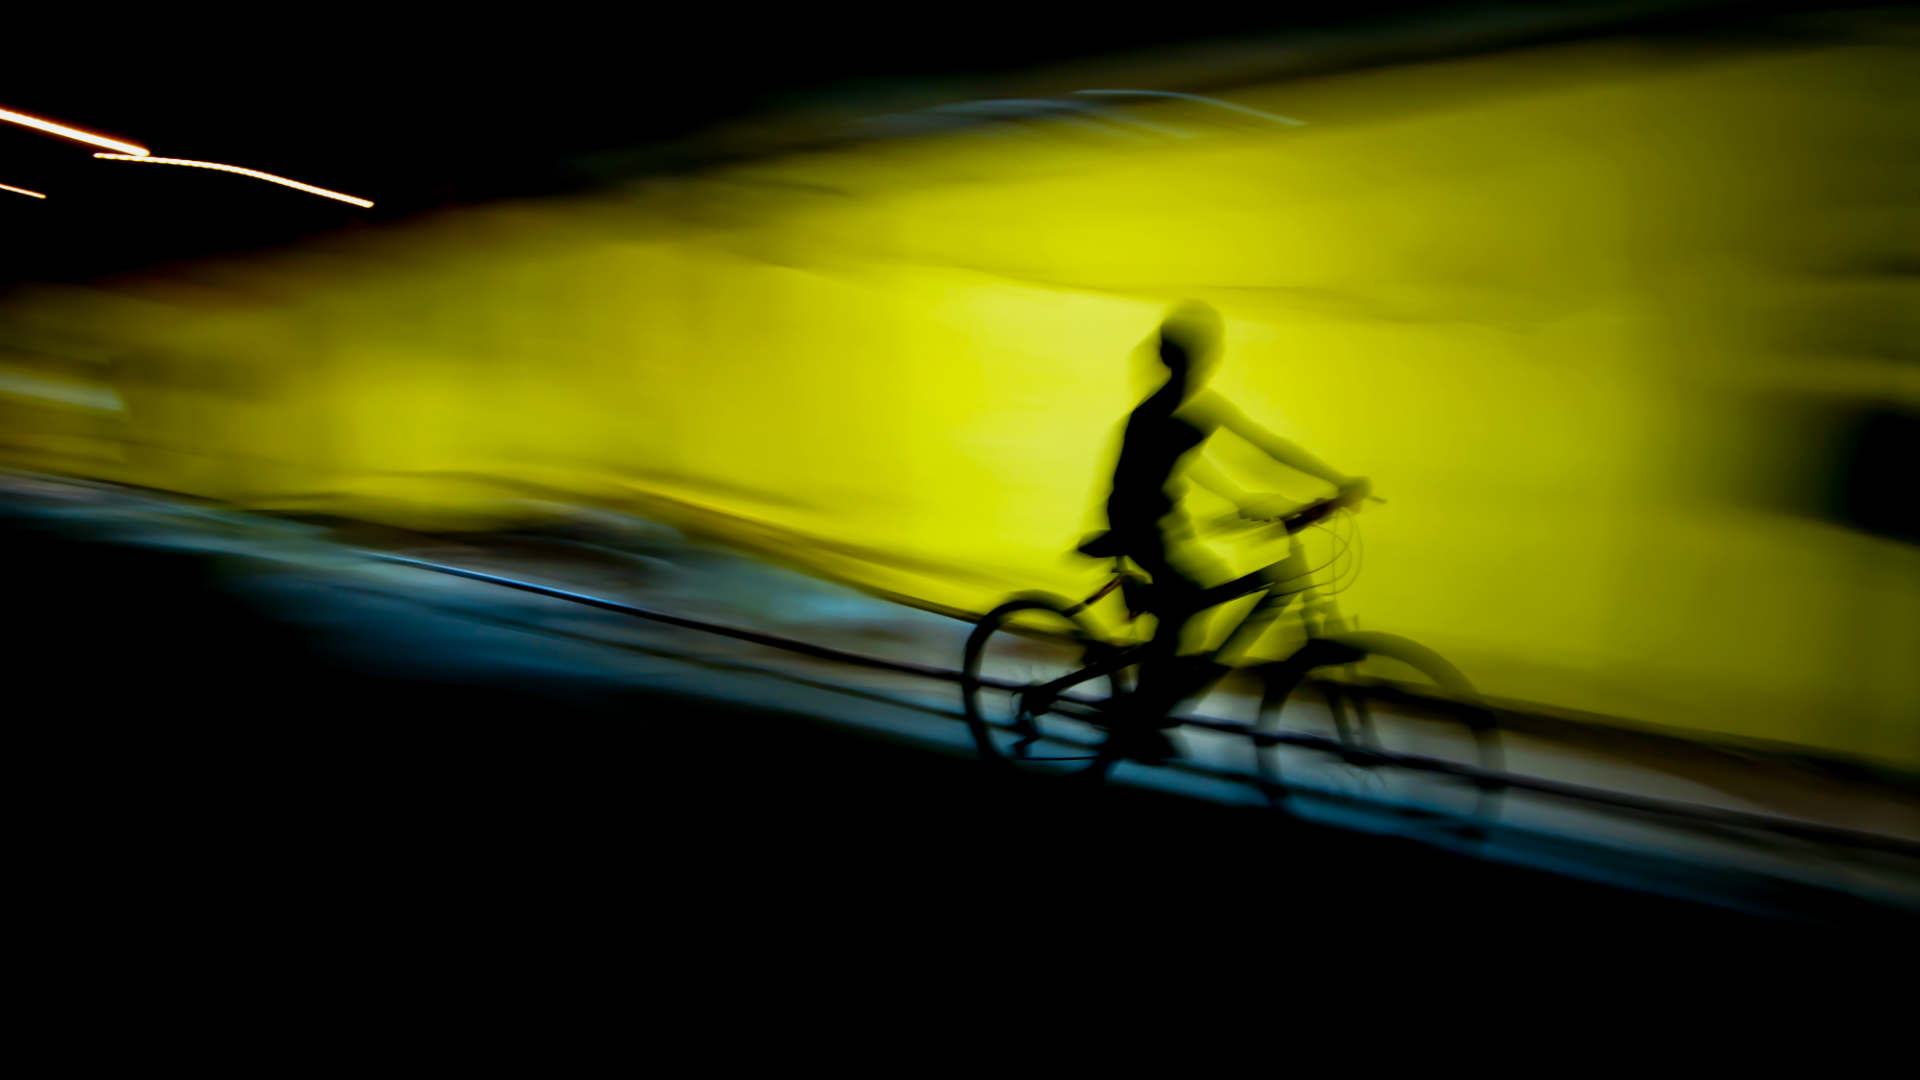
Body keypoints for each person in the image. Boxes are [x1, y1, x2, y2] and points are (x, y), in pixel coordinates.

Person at [1089, 301, 1369, 759]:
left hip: (1159, 520)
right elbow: (1142, 486)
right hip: (1134, 522)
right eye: (1195, 356)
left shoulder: (1188, 411)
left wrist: (1320, 488)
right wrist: (1335, 485)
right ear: (1182, 360)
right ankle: (1142, 718)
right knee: (1188, 601)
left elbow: (1257, 452)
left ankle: (1150, 706)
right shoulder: (1154, 415)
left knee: (1195, 597)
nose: (1199, 365)